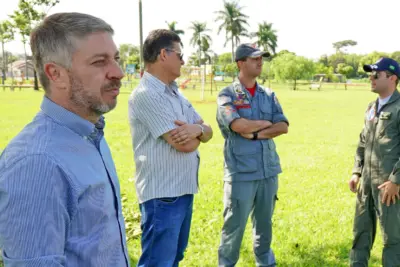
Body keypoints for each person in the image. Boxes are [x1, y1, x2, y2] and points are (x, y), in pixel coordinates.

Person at [0, 12, 129, 267]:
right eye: (99, 62)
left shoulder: (90, 134)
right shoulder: (37, 163)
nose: (119, 72)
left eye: (115, 59)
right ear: (56, 74)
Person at [128, 29, 213, 267]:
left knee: (174, 258)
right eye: (180, 54)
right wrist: (197, 133)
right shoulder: (146, 94)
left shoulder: (176, 93)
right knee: (158, 262)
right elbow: (184, 145)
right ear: (164, 54)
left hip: (182, 190)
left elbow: (207, 130)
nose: (184, 61)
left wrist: (197, 130)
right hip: (162, 196)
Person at [216, 43, 289, 267]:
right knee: (233, 228)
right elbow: (237, 124)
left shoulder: (268, 94)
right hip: (241, 173)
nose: (260, 62)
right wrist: (267, 124)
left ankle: (266, 263)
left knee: (265, 226)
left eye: (261, 58)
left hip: (268, 171)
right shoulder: (227, 94)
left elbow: (283, 126)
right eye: (254, 58)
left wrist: (256, 133)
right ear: (240, 63)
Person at [349, 57, 400, 267]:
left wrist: (396, 180)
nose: (371, 78)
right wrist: (356, 172)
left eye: (376, 74)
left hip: (389, 187)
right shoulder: (371, 107)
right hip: (367, 185)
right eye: (370, 74)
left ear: (392, 78)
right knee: (360, 234)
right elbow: (363, 141)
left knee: (393, 239)